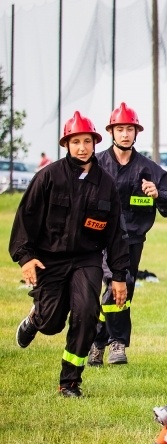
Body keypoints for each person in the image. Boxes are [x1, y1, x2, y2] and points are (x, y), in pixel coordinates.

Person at [9, 111, 129, 398]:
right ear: (66, 144)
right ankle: (36, 317)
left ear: (95, 142)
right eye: (76, 141)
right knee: (51, 323)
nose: (82, 147)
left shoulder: (106, 184)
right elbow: (25, 219)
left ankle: (70, 381)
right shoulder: (48, 177)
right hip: (50, 258)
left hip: (87, 259)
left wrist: (119, 277)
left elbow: (115, 234)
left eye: (87, 141)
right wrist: (25, 257)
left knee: (87, 313)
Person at [87, 102, 167, 366]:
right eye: (120, 129)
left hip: (133, 242)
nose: (125, 134)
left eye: (130, 129)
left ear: (136, 133)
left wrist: (158, 194)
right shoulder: (97, 164)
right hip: (101, 240)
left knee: (122, 290)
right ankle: (116, 344)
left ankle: (97, 343)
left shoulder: (148, 169)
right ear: (111, 132)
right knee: (116, 284)